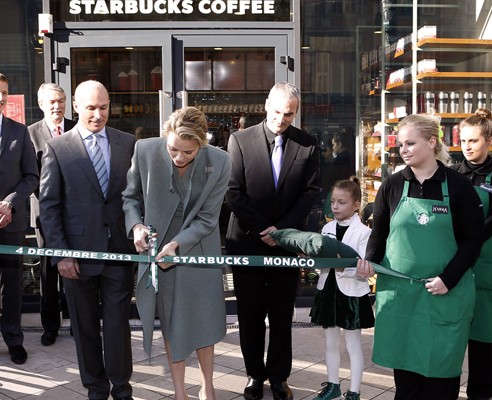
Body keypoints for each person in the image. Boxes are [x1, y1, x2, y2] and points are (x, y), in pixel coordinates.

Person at [356, 114, 484, 400]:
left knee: (440, 375)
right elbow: (379, 232)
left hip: (444, 295)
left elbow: (473, 241)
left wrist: (448, 279)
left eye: (411, 143)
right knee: (407, 379)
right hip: (402, 297)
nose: (404, 150)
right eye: (401, 144)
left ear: (431, 141)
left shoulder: (458, 186)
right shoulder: (391, 185)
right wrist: (370, 261)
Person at [122, 106, 231, 400]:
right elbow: (130, 198)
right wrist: (136, 227)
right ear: (164, 137)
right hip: (160, 250)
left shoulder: (220, 162)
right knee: (171, 321)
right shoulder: (144, 151)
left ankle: (207, 386)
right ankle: (180, 391)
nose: (179, 157)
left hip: (198, 247)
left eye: (188, 152)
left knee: (204, 317)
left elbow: (208, 219)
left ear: (202, 144)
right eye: (173, 149)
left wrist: (178, 244)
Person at [39, 80, 136, 400]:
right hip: (76, 257)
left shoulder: (128, 143)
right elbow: (49, 207)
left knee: (118, 325)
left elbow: (135, 196)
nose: (98, 114)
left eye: (104, 107)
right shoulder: (58, 148)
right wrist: (60, 255)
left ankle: (121, 388)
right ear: (77, 107)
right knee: (84, 327)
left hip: (119, 253)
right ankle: (96, 388)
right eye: (91, 108)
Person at [226, 82, 320, 400]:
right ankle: (255, 375)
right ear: (267, 105)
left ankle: (279, 377)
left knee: (282, 314)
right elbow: (233, 192)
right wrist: (264, 228)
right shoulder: (239, 140)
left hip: (287, 242)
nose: (282, 119)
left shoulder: (307, 144)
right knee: (250, 315)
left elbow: (310, 194)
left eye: (289, 114)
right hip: (248, 241)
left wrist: (282, 231)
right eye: (278, 111)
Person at [450, 108, 492, 400]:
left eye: (474, 140)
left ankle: (480, 394)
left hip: (483, 259)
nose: (467, 146)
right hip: (452, 260)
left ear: (489, 139)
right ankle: (446, 388)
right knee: (451, 333)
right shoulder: (450, 173)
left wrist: (470, 242)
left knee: (481, 338)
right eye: (463, 140)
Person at [310, 177, 374, 400]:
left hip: (351, 293)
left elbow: (365, 266)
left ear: (356, 204)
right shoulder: (327, 227)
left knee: (353, 345)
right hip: (328, 289)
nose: (335, 206)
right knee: (329, 343)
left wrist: (342, 267)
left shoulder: (364, 233)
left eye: (342, 202)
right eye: (333, 201)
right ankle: (333, 385)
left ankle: (354, 391)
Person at [28, 82, 77, 347]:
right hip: (45, 216)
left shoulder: (76, 128)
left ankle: (77, 321)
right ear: (41, 104)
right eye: (51, 102)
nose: (57, 106)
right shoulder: (30, 134)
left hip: (76, 215)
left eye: (60, 100)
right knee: (49, 273)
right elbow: (30, 174)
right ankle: (50, 326)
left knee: (76, 269)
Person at [0, 72, 39, 365]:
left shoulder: (19, 132)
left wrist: (9, 204)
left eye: (4, 92)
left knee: (13, 286)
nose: (1, 98)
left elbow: (31, 176)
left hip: (11, 222)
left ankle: (14, 340)